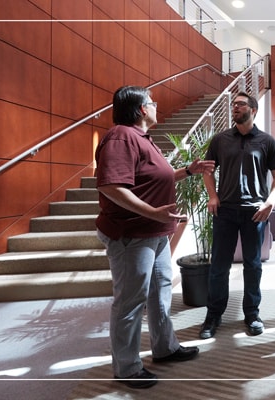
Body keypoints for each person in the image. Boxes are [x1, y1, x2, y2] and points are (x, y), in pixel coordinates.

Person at [95, 85, 215, 389]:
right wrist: (152, 212)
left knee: (160, 290)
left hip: (154, 232)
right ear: (141, 110)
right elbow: (111, 187)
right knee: (130, 301)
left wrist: (188, 171)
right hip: (132, 234)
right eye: (153, 102)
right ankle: (126, 367)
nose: (157, 105)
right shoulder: (120, 136)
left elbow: (154, 177)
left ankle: (165, 348)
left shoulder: (141, 138)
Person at [199, 92, 275, 339]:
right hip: (224, 210)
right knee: (219, 266)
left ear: (253, 110)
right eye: (233, 104)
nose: (235, 107)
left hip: (255, 213)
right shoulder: (220, 140)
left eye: (240, 104)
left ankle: (252, 314)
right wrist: (212, 196)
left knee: (253, 265)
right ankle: (213, 315)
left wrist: (270, 202)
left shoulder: (266, 141)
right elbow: (207, 171)